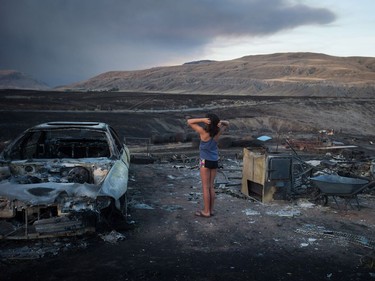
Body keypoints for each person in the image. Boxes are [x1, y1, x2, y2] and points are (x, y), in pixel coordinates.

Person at [187, 114, 229, 218]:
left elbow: (189, 121)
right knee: (211, 187)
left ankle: (206, 212)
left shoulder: (203, 132)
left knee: (205, 187)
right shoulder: (217, 132)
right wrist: (218, 122)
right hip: (214, 161)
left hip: (204, 162)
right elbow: (227, 123)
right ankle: (211, 210)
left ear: (208, 122)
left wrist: (202, 119)